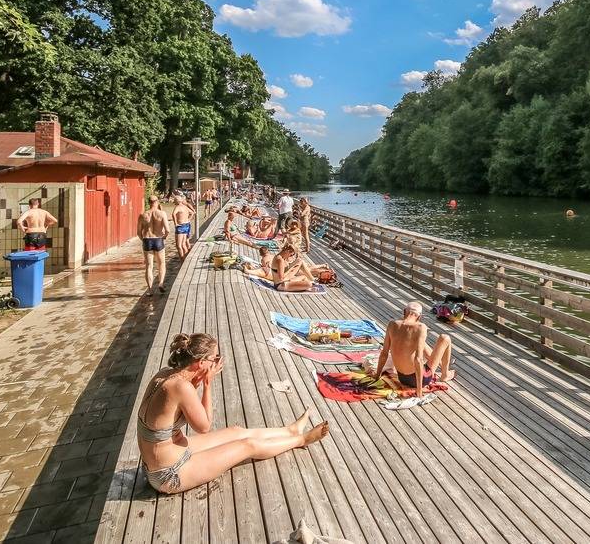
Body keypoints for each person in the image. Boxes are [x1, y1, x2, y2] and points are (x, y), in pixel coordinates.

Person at [137, 333, 328, 494]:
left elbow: (179, 405)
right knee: (248, 445)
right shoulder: (181, 387)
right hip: (169, 473)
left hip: (173, 451)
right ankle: (301, 440)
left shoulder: (165, 374)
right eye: (215, 358)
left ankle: (290, 430)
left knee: (236, 431)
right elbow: (204, 426)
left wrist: (201, 379)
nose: (217, 363)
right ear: (201, 362)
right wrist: (208, 384)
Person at [373, 301, 456, 398]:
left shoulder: (392, 325)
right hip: (420, 379)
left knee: (420, 342)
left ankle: (441, 363)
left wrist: (377, 375)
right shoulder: (420, 327)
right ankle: (445, 374)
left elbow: (384, 353)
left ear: (404, 311)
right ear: (419, 317)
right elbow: (418, 360)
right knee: (445, 338)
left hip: (402, 378)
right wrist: (419, 390)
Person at [138, 196, 172, 294]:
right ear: (157, 202)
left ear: (149, 202)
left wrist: (143, 240)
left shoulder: (143, 215)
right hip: (158, 240)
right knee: (161, 264)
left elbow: (138, 232)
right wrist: (164, 237)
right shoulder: (162, 214)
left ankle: (150, 290)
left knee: (149, 266)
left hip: (147, 240)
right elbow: (168, 230)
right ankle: (160, 283)